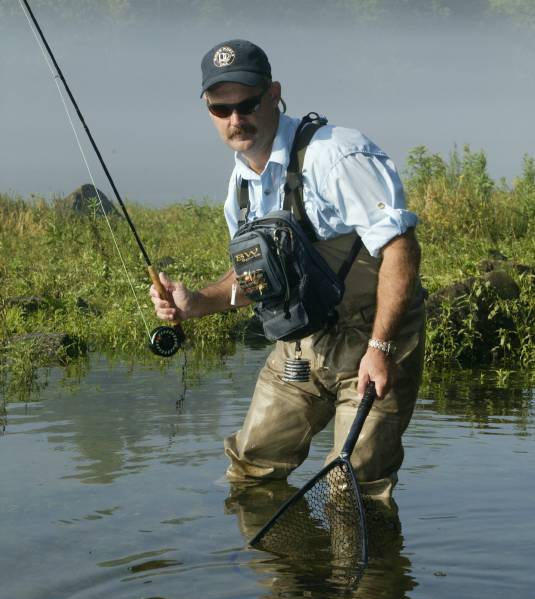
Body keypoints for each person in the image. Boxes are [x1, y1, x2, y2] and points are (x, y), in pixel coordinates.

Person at [150, 39, 426, 511]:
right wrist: (198, 301)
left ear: (274, 94)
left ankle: (371, 582)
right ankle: (283, 582)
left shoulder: (336, 155)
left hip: (372, 338)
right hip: (298, 345)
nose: (236, 119)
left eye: (248, 104)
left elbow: (401, 248)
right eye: (222, 108)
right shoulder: (239, 186)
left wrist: (380, 350)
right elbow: (253, 277)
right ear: (208, 109)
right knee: (250, 470)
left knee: (354, 493)